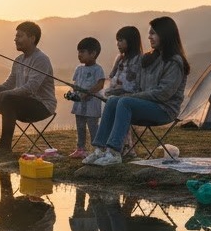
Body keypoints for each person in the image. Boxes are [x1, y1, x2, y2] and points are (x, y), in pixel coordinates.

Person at [83, 16, 190, 166]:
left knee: (125, 102)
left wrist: (132, 96)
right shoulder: (149, 59)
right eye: (149, 33)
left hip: (164, 110)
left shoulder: (174, 61)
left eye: (153, 33)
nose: (149, 37)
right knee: (113, 101)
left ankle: (114, 152)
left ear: (165, 35)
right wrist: (120, 92)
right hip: (145, 106)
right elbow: (139, 87)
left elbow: (163, 93)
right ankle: (100, 149)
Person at [0, 21, 57, 161]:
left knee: (8, 100)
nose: (15, 39)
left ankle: (5, 149)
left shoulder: (41, 59)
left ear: (32, 38)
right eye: (15, 36)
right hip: (20, 104)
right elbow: (8, 85)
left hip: (42, 106)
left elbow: (30, 88)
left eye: (19, 36)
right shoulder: (18, 60)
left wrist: (3, 94)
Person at [104, 26, 143, 159]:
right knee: (114, 109)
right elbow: (113, 76)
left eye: (121, 40)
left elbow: (134, 83)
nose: (118, 44)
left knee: (120, 110)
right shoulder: (120, 59)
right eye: (117, 41)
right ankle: (111, 147)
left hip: (131, 97)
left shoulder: (139, 60)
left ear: (131, 41)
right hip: (116, 95)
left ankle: (123, 148)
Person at [68, 37, 105, 159]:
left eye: (82, 52)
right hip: (79, 105)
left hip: (92, 106)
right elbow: (75, 85)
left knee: (93, 127)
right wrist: (73, 93)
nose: (79, 55)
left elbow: (100, 85)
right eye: (78, 52)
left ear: (93, 53)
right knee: (80, 127)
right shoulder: (78, 69)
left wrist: (88, 93)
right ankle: (80, 149)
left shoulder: (98, 69)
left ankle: (98, 149)